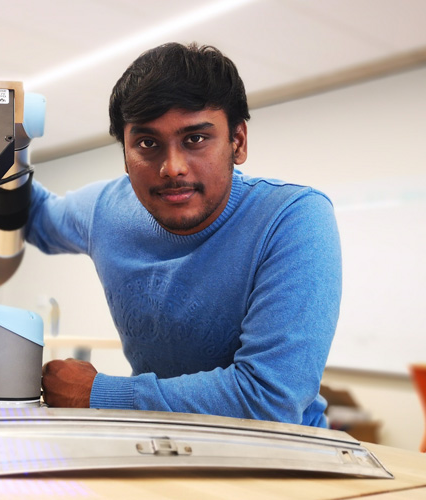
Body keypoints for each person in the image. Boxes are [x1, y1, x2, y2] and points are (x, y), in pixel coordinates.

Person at [30, 42, 342, 427]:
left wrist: (97, 394)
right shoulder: (104, 209)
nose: (172, 167)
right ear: (125, 155)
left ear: (238, 142)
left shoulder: (292, 217)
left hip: (284, 461)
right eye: (147, 144)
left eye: (195, 139)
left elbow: (268, 399)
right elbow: (34, 216)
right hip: (160, 447)